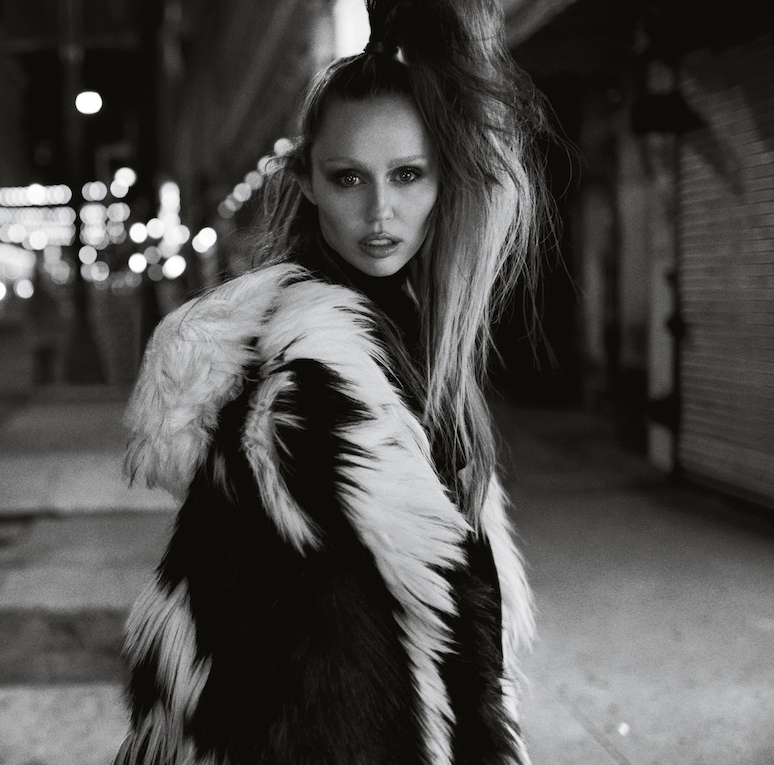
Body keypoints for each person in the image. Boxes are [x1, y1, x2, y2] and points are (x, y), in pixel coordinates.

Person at [114, 0, 556, 762]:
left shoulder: (402, 335)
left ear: (444, 179)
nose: (380, 211)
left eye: (407, 175)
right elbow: (317, 694)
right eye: (348, 177)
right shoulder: (307, 379)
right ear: (307, 181)